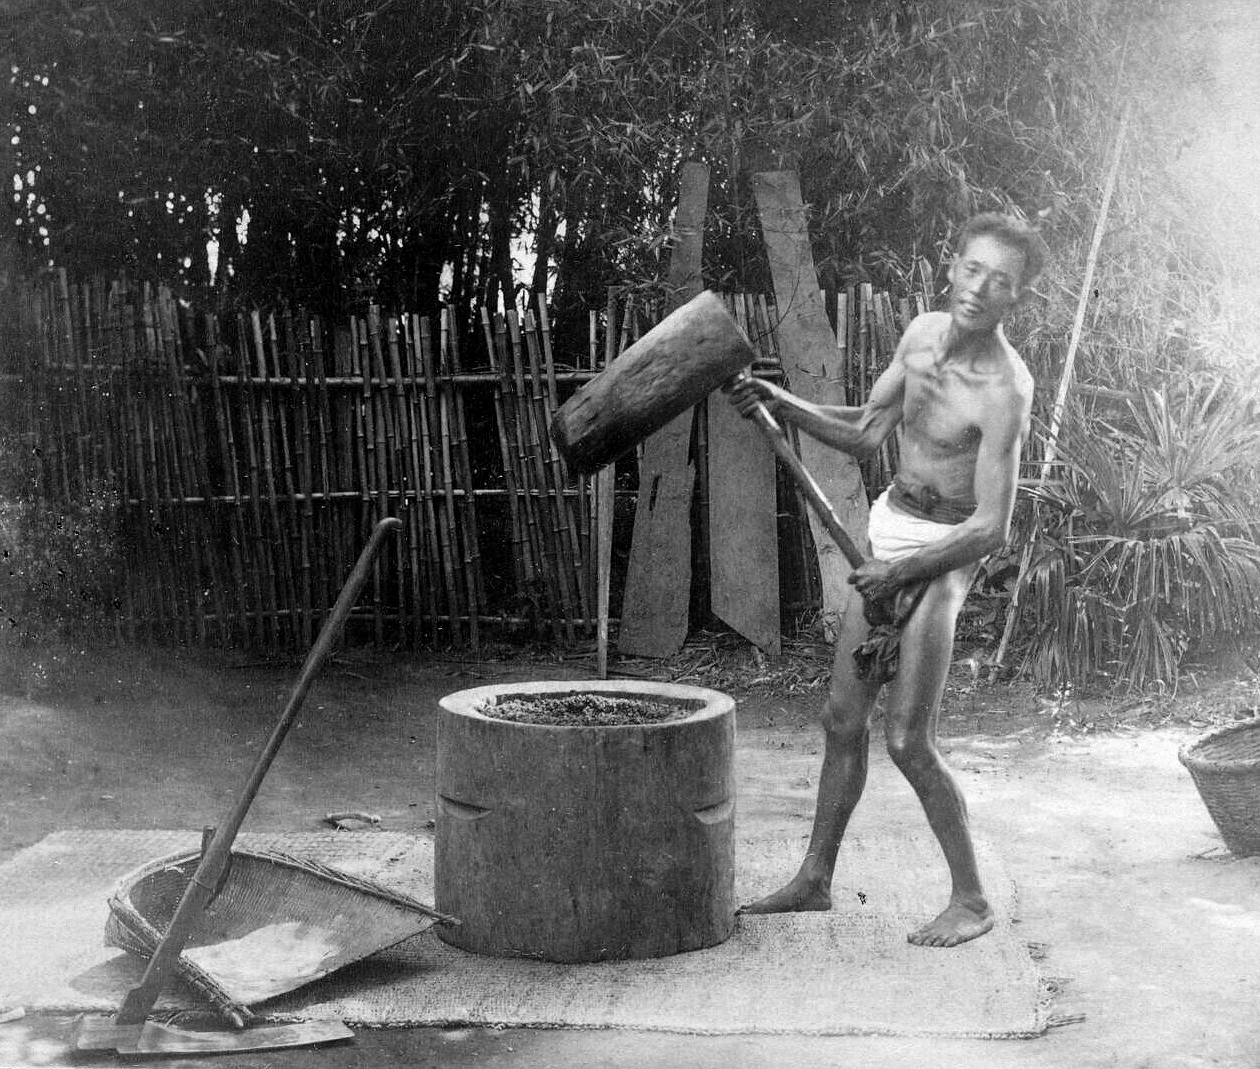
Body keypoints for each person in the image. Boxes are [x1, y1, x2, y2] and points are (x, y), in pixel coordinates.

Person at [728, 212, 1044, 947]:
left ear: (1014, 297)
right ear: (952, 266)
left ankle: (971, 898)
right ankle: (814, 877)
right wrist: (780, 402)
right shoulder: (921, 338)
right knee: (843, 719)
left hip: (944, 552)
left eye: (1000, 281)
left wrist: (898, 571)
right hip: (892, 529)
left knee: (907, 739)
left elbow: (990, 528)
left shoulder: (1006, 389)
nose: (980, 288)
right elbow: (868, 429)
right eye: (973, 269)